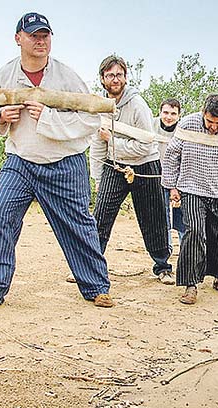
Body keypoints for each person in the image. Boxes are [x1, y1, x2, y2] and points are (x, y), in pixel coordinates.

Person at [0, 12, 112, 310]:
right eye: (33, 35)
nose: (40, 40)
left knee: (78, 225)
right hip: (20, 160)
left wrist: (47, 118)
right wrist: (1, 118)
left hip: (64, 162)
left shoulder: (67, 77)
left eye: (45, 35)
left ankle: (97, 287)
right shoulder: (6, 74)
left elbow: (89, 121)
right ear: (18, 38)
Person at [90, 55, 173, 285]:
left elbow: (145, 144)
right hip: (114, 166)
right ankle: (89, 266)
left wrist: (113, 141)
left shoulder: (138, 105)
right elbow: (97, 143)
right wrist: (97, 176)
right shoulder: (100, 107)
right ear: (102, 79)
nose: (114, 79)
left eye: (118, 74)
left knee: (153, 217)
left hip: (145, 165)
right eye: (110, 75)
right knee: (101, 216)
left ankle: (162, 266)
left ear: (126, 77)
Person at [162, 94, 218, 305]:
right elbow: (172, 154)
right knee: (194, 233)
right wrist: (171, 186)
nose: (214, 127)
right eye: (210, 122)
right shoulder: (188, 123)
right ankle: (191, 284)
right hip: (191, 187)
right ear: (203, 113)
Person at [153, 98, 185, 253]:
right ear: (160, 113)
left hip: (180, 178)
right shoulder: (151, 126)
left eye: (173, 113)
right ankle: (165, 250)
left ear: (179, 115)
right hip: (156, 177)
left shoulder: (184, 130)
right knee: (161, 216)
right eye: (165, 112)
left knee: (183, 217)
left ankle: (185, 250)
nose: (169, 117)